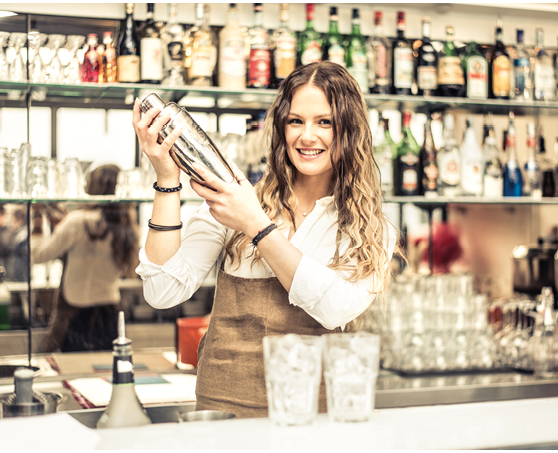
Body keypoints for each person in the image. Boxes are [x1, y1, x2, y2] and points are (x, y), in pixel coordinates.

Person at [133, 61, 397, 418]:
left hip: (312, 418)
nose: (307, 136)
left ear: (348, 130)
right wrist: (167, 180)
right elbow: (163, 290)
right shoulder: (239, 199)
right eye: (295, 121)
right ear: (281, 128)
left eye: (325, 122)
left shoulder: (370, 228)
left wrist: (256, 225)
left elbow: (335, 308)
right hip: (223, 414)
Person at [32, 165, 139, 352]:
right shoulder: (127, 225)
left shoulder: (78, 221)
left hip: (76, 313)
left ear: (92, 189)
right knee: (106, 373)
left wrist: (37, 219)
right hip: (110, 312)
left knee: (73, 374)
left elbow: (38, 255)